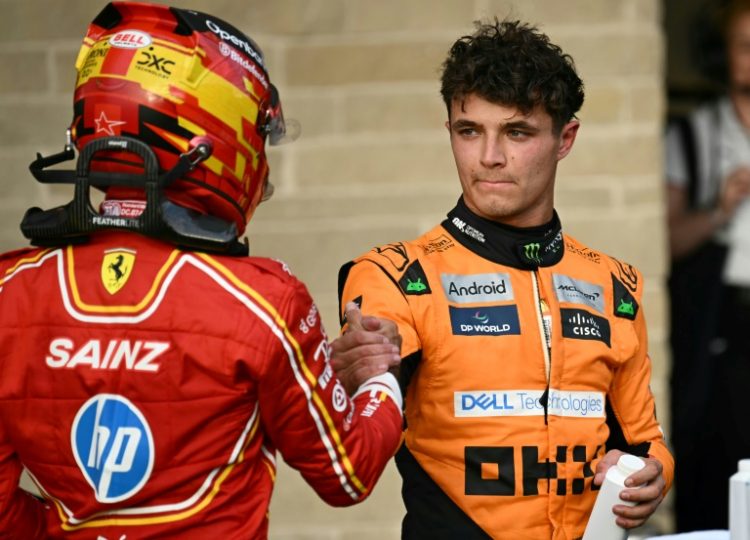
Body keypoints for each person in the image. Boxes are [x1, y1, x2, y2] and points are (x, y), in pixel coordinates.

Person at [0, 2, 403, 538]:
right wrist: (381, 382)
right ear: (214, 132)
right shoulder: (263, 301)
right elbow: (348, 475)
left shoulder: (11, 291)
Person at [337, 19, 674, 539]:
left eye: (517, 132)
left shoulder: (614, 285)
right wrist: (346, 382)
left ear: (566, 138)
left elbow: (644, 442)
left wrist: (654, 476)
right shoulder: (395, 275)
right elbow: (357, 437)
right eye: (469, 131)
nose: (489, 157)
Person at [665, 0, 750, 532]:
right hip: (728, 326)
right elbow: (664, 241)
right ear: (729, 56)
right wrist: (720, 208)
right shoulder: (696, 134)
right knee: (721, 463)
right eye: (746, 46)